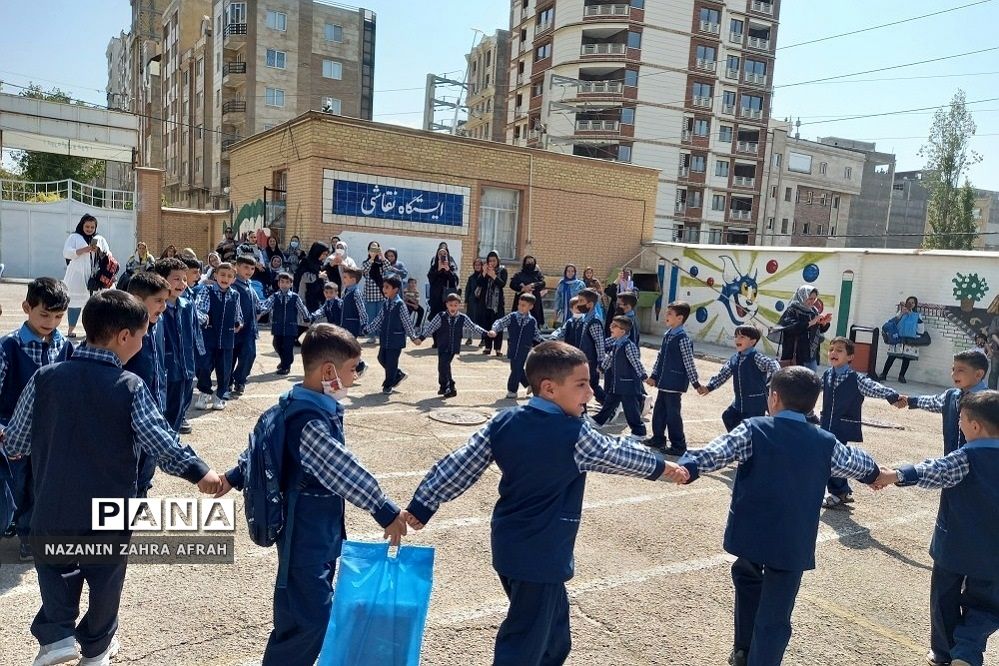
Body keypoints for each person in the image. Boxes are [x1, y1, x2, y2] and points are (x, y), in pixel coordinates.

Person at [403, 341, 683, 666]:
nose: (591, 393)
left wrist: (422, 504)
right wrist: (666, 468)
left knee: (554, 637)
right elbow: (618, 455)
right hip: (542, 553)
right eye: (581, 385)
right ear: (549, 388)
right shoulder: (575, 433)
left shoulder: (503, 423)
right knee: (524, 644)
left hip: (510, 547)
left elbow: (457, 466)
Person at [1, 290, 220, 666]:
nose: (145, 339)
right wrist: (200, 472)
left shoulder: (44, 378)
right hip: (112, 510)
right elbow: (162, 443)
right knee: (106, 578)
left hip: (53, 504)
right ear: (123, 336)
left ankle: (57, 636)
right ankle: (97, 648)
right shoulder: (130, 387)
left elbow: (16, 442)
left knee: (54, 566)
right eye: (143, 332)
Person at [216, 324, 408, 665]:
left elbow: (261, 450)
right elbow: (345, 469)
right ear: (329, 371)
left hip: (316, 534)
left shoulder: (295, 403)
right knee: (309, 621)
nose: (355, 377)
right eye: (353, 369)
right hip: (304, 537)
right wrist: (386, 510)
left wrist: (233, 476)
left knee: (300, 616)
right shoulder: (310, 422)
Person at [672, 367, 882, 666]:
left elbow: (716, 452)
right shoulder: (825, 441)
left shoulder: (753, 429)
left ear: (773, 397)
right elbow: (857, 463)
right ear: (813, 403)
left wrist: (686, 468)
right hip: (792, 539)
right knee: (776, 614)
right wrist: (878, 475)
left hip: (751, 530)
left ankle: (743, 651)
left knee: (747, 584)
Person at [873, 391, 999, 666]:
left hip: (953, 546)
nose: (959, 425)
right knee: (988, 606)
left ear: (975, 426)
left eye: (962, 420)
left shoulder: (964, 457)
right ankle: (967, 651)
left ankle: (943, 653)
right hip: (994, 556)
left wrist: (893, 475)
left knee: (944, 600)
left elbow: (933, 471)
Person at [0, 278, 73, 561]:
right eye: (44, 314)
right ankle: (13, 521)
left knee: (41, 486)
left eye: (58, 316)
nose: (51, 322)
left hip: (50, 434)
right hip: (12, 435)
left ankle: (30, 536)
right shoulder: (8, 347)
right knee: (16, 485)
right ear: (26, 307)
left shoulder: (63, 346)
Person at [817, 336, 902, 509]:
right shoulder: (827, 374)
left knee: (833, 457)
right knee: (834, 456)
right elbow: (814, 388)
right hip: (827, 423)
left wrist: (893, 396)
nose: (833, 352)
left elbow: (875, 387)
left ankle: (838, 492)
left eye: (839, 350)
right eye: (831, 349)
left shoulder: (855, 378)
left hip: (843, 425)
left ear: (850, 357)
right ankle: (842, 490)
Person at [124, 272, 171, 498]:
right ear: (136, 299)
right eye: (158, 301)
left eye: (165, 300)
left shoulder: (158, 324)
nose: (163, 307)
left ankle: (142, 491)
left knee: (149, 457)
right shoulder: (125, 330)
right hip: (131, 411)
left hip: (154, 406)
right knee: (130, 460)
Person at [903, 350, 990, 454]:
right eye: (953, 369)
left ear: (978, 374)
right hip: (951, 461)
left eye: (960, 370)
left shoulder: (989, 402)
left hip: (979, 465)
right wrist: (910, 401)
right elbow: (933, 402)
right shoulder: (951, 396)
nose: (954, 375)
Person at [645, 301, 702, 455]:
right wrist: (654, 375)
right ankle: (658, 438)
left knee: (673, 414)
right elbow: (660, 357)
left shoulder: (683, 338)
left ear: (680, 318)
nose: (666, 316)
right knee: (659, 411)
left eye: (670, 313)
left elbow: (688, 362)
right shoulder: (668, 335)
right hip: (664, 381)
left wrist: (696, 383)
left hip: (674, 382)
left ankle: (678, 445)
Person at [699, 326, 781, 432]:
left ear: (752, 342)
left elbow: (773, 364)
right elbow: (723, 374)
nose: (737, 339)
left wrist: (772, 383)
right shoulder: (734, 359)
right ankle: (739, 442)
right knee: (728, 417)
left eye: (742, 337)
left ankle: (751, 445)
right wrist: (709, 387)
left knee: (751, 428)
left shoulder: (756, 357)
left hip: (755, 404)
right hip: (739, 402)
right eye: (736, 336)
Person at [153, 258, 199, 436]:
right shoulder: (157, 309)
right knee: (167, 407)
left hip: (186, 366)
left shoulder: (187, 305)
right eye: (177, 279)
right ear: (162, 280)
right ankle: (167, 439)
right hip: (167, 368)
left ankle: (173, 434)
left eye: (184, 279)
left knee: (182, 403)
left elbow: (194, 332)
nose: (182, 283)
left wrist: (198, 354)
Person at [195, 262, 243, 410]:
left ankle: (220, 395)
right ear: (215, 275)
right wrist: (203, 317)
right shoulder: (206, 291)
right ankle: (204, 391)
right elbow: (199, 308)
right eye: (222, 274)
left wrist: (239, 322)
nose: (225, 278)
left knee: (224, 369)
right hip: (208, 337)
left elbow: (238, 314)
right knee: (203, 366)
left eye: (229, 276)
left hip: (227, 339)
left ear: (234, 279)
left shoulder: (235, 294)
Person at [420, 293, 487, 398]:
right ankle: (445, 386)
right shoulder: (440, 316)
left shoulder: (462, 318)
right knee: (442, 366)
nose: (453, 307)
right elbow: (430, 328)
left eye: (455, 305)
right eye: (451, 305)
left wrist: (485, 333)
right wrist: (421, 338)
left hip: (452, 346)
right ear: (447, 305)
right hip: (442, 345)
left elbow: (473, 327)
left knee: (444, 365)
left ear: (459, 306)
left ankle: (449, 386)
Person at [592, 316, 648, 438]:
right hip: (617, 383)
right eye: (612, 324)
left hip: (628, 384)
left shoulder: (628, 345)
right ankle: (598, 421)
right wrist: (602, 368)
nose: (611, 327)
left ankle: (639, 431)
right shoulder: (616, 344)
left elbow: (635, 362)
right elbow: (610, 358)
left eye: (615, 326)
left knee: (631, 409)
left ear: (622, 331)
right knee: (609, 402)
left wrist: (644, 376)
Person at [364, 276, 422, 393]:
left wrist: (413, 337)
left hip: (396, 339)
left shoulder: (400, 305)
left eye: (387, 287)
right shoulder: (386, 304)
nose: (384, 289)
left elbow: (407, 322)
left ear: (395, 289)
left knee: (391, 362)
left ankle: (388, 384)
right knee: (381, 358)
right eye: (383, 287)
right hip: (385, 338)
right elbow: (379, 319)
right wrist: (367, 329)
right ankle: (397, 374)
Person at [549, 290, 606, 404]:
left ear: (589, 304)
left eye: (581, 301)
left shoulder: (594, 321)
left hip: (590, 360)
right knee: (584, 385)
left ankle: (609, 405)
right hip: (582, 359)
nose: (579, 304)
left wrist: (601, 362)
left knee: (588, 385)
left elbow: (599, 343)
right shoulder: (585, 319)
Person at [62, 214, 111, 338]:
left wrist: (99, 251)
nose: (89, 229)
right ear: (82, 225)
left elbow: (108, 255)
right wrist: (84, 250)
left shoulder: (100, 238)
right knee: (75, 303)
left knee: (95, 305)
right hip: (77, 276)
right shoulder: (74, 237)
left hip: (96, 276)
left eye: (92, 227)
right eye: (87, 226)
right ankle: (70, 330)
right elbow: (66, 253)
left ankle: (92, 331)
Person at [489, 293, 544, 400]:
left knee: (516, 368)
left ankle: (512, 390)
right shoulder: (512, 316)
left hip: (525, 348)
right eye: (519, 304)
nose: (520, 307)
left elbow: (536, 335)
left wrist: (546, 342)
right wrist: (494, 330)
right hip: (513, 347)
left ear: (530, 307)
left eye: (523, 305)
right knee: (516, 368)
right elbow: (500, 322)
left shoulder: (532, 321)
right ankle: (531, 385)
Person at [259, 272, 313, 375]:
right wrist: (259, 312)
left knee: (288, 347)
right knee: (277, 344)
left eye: (287, 282)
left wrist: (306, 318)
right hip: (278, 326)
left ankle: (286, 366)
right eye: (282, 282)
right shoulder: (274, 296)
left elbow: (302, 308)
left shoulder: (295, 297)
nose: (284, 284)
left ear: (291, 284)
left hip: (290, 327)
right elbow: (266, 306)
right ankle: (284, 361)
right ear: (278, 283)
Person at [776, 285, 832, 371]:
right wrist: (811, 322)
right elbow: (790, 328)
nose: (812, 301)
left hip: (811, 355)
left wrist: (824, 323)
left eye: (814, 299)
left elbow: (818, 330)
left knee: (810, 382)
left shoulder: (813, 311)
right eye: (810, 298)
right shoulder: (792, 310)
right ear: (802, 296)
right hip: (795, 355)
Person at [230, 256, 262, 396]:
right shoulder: (231, 284)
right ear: (237, 267)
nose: (249, 271)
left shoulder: (250, 285)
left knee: (249, 355)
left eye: (252, 268)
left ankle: (240, 380)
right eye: (246, 267)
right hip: (234, 329)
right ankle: (226, 382)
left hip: (249, 329)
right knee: (230, 357)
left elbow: (258, 305)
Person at [880, 296, 925, 383]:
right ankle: (884, 374)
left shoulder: (917, 315)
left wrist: (911, 315)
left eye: (913, 303)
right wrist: (902, 314)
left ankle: (901, 376)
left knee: (906, 358)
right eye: (909, 302)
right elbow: (893, 323)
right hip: (898, 338)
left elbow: (921, 329)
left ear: (915, 305)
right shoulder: (900, 312)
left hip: (910, 339)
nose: (911, 304)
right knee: (891, 356)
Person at [295, 242, 330, 339]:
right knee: (304, 320)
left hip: (317, 295)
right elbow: (302, 277)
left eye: (326, 255)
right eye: (323, 254)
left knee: (313, 319)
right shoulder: (306, 262)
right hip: (306, 294)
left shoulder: (319, 264)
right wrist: (318, 276)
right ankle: (295, 338)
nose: (324, 256)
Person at [477, 251, 508, 357]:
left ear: (498, 260)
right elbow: (479, 283)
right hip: (486, 302)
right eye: (490, 260)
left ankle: (498, 348)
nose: (492, 263)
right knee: (487, 324)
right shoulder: (485, 270)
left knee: (498, 325)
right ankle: (487, 347)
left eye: (494, 260)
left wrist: (494, 276)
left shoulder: (502, 270)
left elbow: (502, 284)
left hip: (497, 304)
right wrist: (484, 273)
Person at [427, 246, 460, 325]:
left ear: (447, 255)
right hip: (435, 296)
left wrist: (448, 270)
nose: (442, 255)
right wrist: (438, 270)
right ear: (437, 255)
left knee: (446, 319)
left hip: (446, 297)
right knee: (435, 318)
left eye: (444, 254)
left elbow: (454, 282)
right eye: (440, 254)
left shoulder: (451, 266)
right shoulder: (434, 266)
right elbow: (431, 280)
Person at [360, 241, 386, 342]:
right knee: (371, 316)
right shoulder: (366, 262)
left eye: (376, 248)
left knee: (381, 316)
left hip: (381, 293)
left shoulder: (381, 263)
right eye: (372, 248)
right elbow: (364, 270)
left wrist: (382, 255)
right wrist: (371, 258)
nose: (374, 250)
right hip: (370, 294)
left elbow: (388, 268)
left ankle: (381, 336)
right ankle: (371, 336)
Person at [510, 256, 546, 326]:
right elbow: (512, 284)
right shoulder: (519, 274)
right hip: (521, 301)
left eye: (532, 262)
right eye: (528, 262)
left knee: (534, 322)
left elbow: (543, 283)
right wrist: (523, 289)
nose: (530, 263)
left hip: (534, 302)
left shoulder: (538, 274)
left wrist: (532, 285)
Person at [464, 258, 483, 345]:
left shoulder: (484, 277)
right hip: (472, 301)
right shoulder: (471, 278)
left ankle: (483, 339)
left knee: (482, 320)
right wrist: (466, 301)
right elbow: (468, 290)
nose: (477, 266)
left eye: (479, 265)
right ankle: (469, 338)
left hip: (482, 301)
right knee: (470, 320)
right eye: (476, 265)